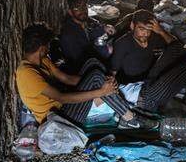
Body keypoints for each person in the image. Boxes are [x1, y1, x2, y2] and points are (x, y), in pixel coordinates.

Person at [16, 22, 158, 129]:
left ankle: (117, 101)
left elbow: (67, 79)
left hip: (65, 108)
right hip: (58, 119)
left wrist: (103, 84)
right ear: (42, 48)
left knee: (92, 63)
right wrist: (100, 91)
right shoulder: (26, 73)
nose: (48, 49)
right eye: (47, 46)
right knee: (96, 76)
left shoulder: (43, 60)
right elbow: (62, 98)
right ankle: (130, 119)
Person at [59, 0, 116, 74]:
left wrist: (106, 30)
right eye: (77, 8)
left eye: (84, 6)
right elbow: (79, 59)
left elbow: (103, 35)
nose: (82, 10)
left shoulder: (91, 22)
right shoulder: (68, 34)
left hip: (102, 58)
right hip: (85, 70)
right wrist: (100, 34)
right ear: (70, 12)